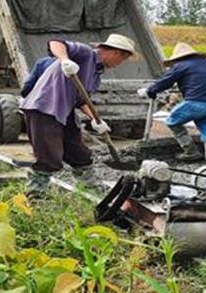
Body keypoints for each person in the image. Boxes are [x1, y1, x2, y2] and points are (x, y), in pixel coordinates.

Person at [20, 34, 136, 198]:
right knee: (49, 156)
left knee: (79, 153)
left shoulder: (96, 74)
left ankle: (91, 187)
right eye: (122, 59)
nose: (119, 64)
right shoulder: (85, 54)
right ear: (116, 53)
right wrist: (65, 60)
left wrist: (95, 119)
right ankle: (35, 194)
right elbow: (56, 42)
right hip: (44, 107)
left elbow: (81, 100)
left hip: (64, 111)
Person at [138, 42, 206, 164]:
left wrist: (149, 91)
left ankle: (190, 150)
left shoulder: (181, 66)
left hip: (197, 103)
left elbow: (166, 82)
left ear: (178, 59)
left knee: (173, 121)